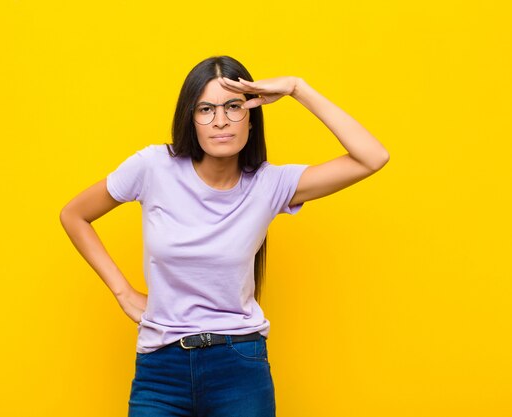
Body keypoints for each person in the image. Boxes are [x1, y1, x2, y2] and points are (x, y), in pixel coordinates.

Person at [59, 55, 389, 417]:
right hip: (160, 369)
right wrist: (123, 292)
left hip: (239, 368)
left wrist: (297, 88)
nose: (220, 121)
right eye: (206, 109)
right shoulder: (153, 167)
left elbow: (371, 158)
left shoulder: (270, 184)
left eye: (233, 107)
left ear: (252, 115)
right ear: (191, 118)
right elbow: (74, 215)